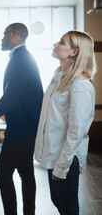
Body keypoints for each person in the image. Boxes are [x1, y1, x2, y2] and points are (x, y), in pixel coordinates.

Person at [0, 23, 43, 215]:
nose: (1, 38)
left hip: (22, 129)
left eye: (4, 34)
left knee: (3, 173)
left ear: (14, 35)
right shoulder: (22, 58)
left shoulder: (20, 59)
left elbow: (10, 96)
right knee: (25, 173)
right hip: (28, 127)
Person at [34, 31, 96, 215]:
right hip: (54, 154)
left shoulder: (80, 85)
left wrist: (62, 166)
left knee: (68, 209)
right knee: (58, 203)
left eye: (62, 42)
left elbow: (77, 131)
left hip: (66, 158)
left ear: (74, 52)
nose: (55, 44)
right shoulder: (57, 78)